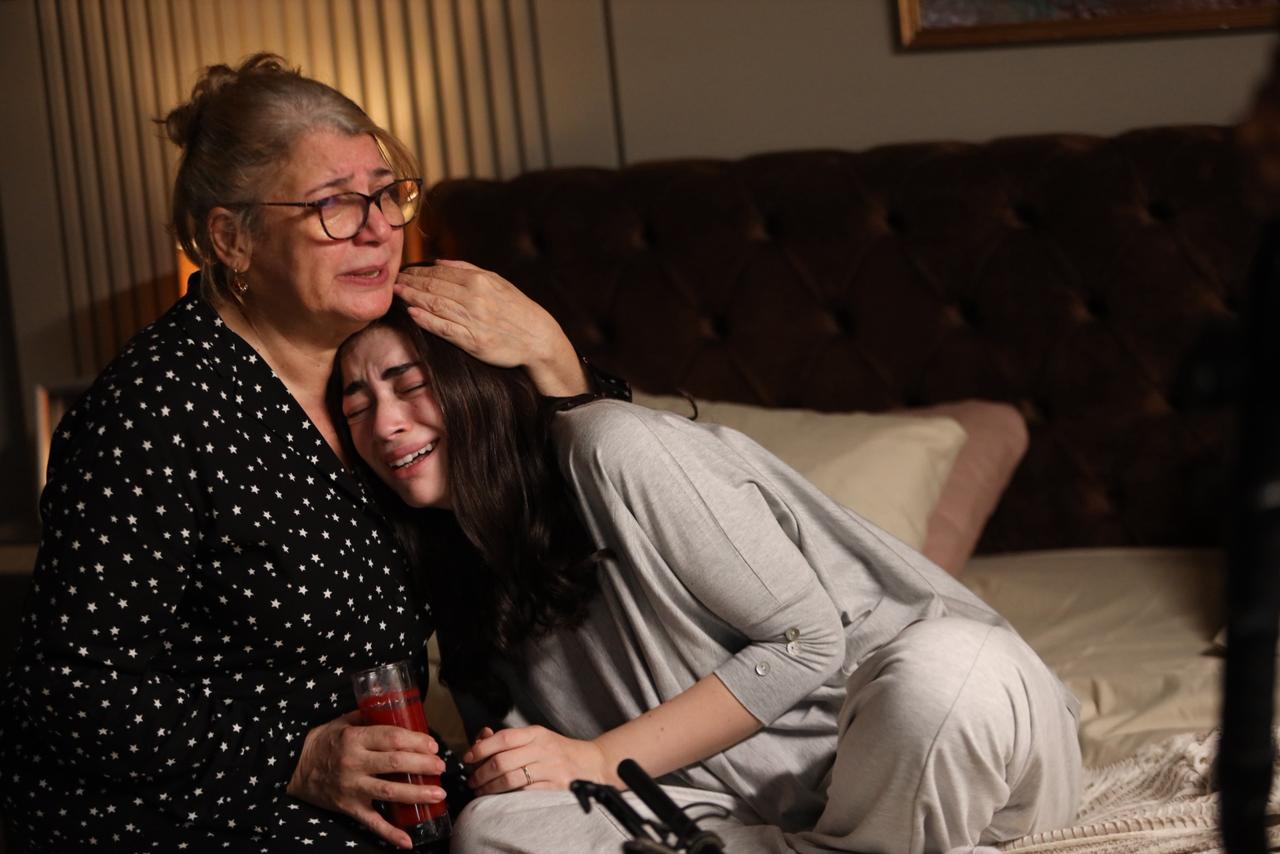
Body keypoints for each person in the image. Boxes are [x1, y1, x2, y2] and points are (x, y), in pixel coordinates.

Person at [0, 53, 607, 852]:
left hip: (401, 785)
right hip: (195, 810)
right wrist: (295, 757)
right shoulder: (153, 410)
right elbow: (67, 689)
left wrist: (550, 349)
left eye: (386, 194)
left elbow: (598, 477)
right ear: (232, 238)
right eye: (334, 205)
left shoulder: (401, 337)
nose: (379, 228)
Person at [331, 300, 1085, 854]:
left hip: (932, 754)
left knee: (946, 673)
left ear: (472, 379)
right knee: (495, 831)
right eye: (356, 405)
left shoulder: (608, 444)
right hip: (746, 812)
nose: (385, 424)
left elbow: (806, 642)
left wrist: (598, 758)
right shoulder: (442, 570)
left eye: (409, 383)